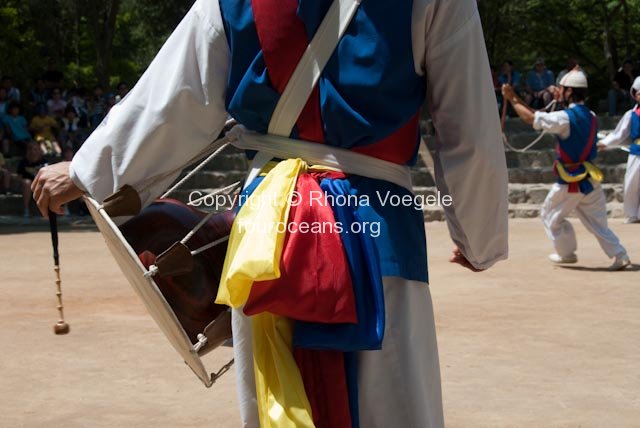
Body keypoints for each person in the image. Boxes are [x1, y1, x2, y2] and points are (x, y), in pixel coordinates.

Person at [32, 0, 508, 426]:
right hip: (378, 233)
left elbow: (173, 99)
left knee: (274, 406)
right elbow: (470, 134)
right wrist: (479, 238)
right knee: (395, 409)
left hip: (263, 236)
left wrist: (86, 171)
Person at [503, 70, 631, 270]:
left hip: (572, 180)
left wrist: (512, 98)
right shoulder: (591, 115)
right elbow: (537, 116)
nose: (559, 91)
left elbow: (531, 118)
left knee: (549, 215)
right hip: (590, 177)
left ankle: (567, 253)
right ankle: (619, 254)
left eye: (562, 89)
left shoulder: (564, 118)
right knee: (598, 223)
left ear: (569, 91)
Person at [598, 76, 640, 224]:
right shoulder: (631, 115)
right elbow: (619, 134)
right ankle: (632, 214)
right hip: (636, 152)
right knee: (631, 183)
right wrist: (604, 143)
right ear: (635, 95)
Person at [18, 141, 46, 217]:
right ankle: (26, 209)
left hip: (40, 184)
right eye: (34, 149)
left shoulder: (43, 161)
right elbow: (19, 177)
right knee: (27, 183)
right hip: (28, 185)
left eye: (37, 149)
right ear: (29, 151)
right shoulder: (24, 162)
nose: (35, 152)